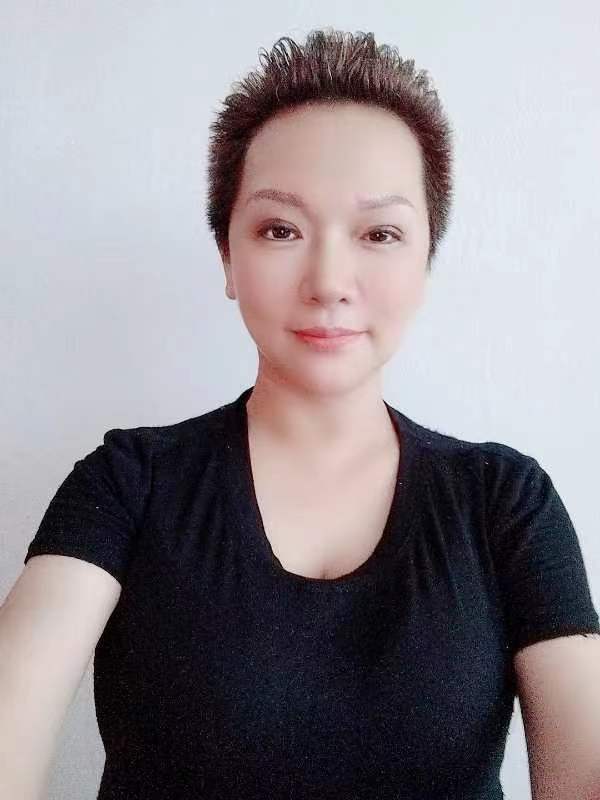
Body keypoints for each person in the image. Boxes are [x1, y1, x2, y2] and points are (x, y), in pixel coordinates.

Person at [3, 27, 599, 800]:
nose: (329, 280)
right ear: (228, 256)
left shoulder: (505, 501)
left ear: (425, 261)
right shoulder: (128, 482)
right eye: (280, 229)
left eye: (380, 233)